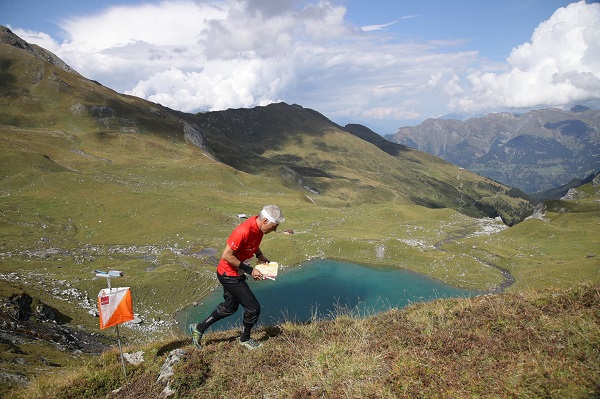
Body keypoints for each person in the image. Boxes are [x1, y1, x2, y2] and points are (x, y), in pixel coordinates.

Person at [189, 205, 285, 350]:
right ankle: (245, 339)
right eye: (274, 226)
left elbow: (253, 244)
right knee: (253, 308)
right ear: (265, 221)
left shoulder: (259, 229)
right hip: (229, 274)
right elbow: (226, 256)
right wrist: (250, 270)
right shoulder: (243, 230)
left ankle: (199, 328)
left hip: (235, 273)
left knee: (229, 307)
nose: (274, 230)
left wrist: (259, 255)